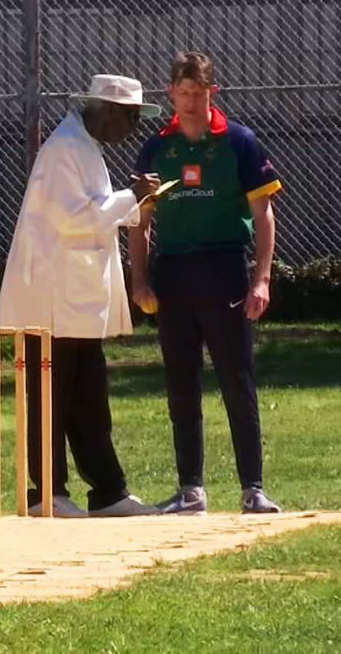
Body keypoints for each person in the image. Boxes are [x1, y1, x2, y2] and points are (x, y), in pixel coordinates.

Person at [0, 74, 161, 518]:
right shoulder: (64, 148)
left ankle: (108, 490)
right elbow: (72, 219)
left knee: (88, 397)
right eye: (129, 117)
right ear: (106, 110)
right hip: (50, 298)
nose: (132, 128)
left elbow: (97, 211)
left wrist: (137, 202)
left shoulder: (86, 147)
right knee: (51, 397)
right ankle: (46, 492)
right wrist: (132, 197)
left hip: (77, 299)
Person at [129, 52, 284, 515]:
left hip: (225, 270)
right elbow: (140, 220)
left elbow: (264, 213)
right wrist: (139, 279)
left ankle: (253, 488)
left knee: (237, 378)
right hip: (174, 273)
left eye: (200, 93)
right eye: (184, 93)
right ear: (170, 94)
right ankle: (190, 489)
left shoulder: (239, 142)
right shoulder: (157, 148)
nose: (192, 102)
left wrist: (261, 279)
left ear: (212, 93)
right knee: (181, 382)